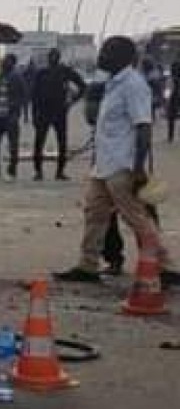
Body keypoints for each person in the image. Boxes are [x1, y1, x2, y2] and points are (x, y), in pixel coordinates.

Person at [56, 36, 180, 286]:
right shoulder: (113, 84)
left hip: (122, 166)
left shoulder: (134, 85)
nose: (101, 56)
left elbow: (143, 128)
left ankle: (166, 266)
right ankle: (87, 265)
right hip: (103, 165)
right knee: (94, 214)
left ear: (122, 56)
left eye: (106, 52)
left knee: (136, 218)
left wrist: (138, 169)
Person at [31, 49, 86, 181]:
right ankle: (39, 172)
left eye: (55, 57)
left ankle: (58, 172)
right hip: (45, 112)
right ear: (49, 58)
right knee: (40, 143)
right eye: (52, 57)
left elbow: (82, 86)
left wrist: (72, 101)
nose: (53, 59)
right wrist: (34, 114)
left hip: (59, 112)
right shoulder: (41, 73)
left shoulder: (65, 71)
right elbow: (34, 95)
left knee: (61, 143)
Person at [0, 54, 27, 180]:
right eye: (3, 61)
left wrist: (22, 112)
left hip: (11, 115)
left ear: (12, 63)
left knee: (13, 145)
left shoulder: (17, 76)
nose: (3, 63)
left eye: (6, 62)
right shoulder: (0, 76)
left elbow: (24, 95)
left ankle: (12, 171)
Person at [168, 61, 180, 143]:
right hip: (175, 94)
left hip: (174, 95)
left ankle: (170, 136)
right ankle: (170, 136)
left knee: (171, 116)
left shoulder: (174, 65)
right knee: (171, 116)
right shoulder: (174, 65)